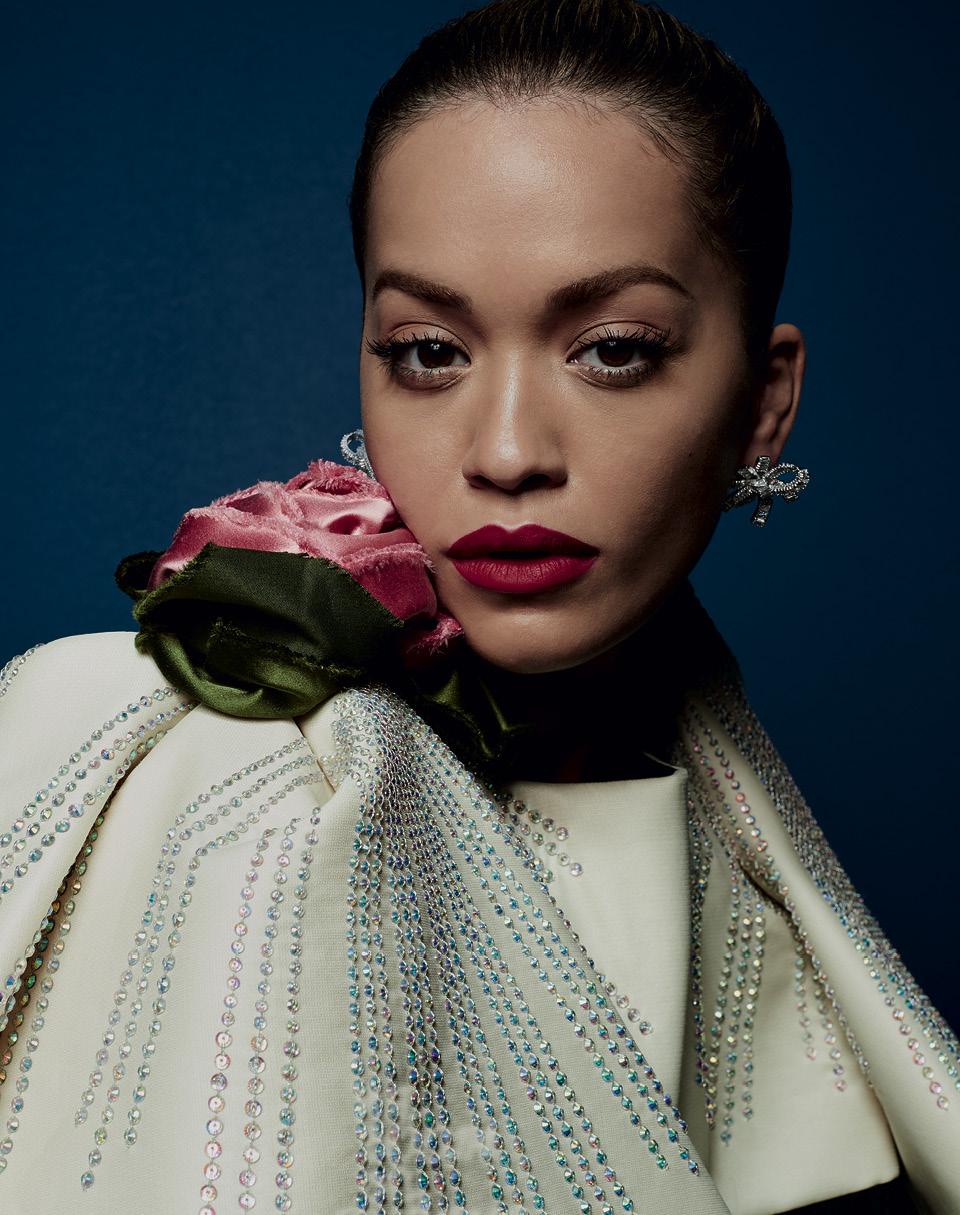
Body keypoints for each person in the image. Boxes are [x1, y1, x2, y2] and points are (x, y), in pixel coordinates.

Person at [0, 1, 956, 1212]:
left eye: (613, 349)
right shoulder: (226, 786)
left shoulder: (722, 817)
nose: (505, 453)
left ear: (764, 405)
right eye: (428, 351)